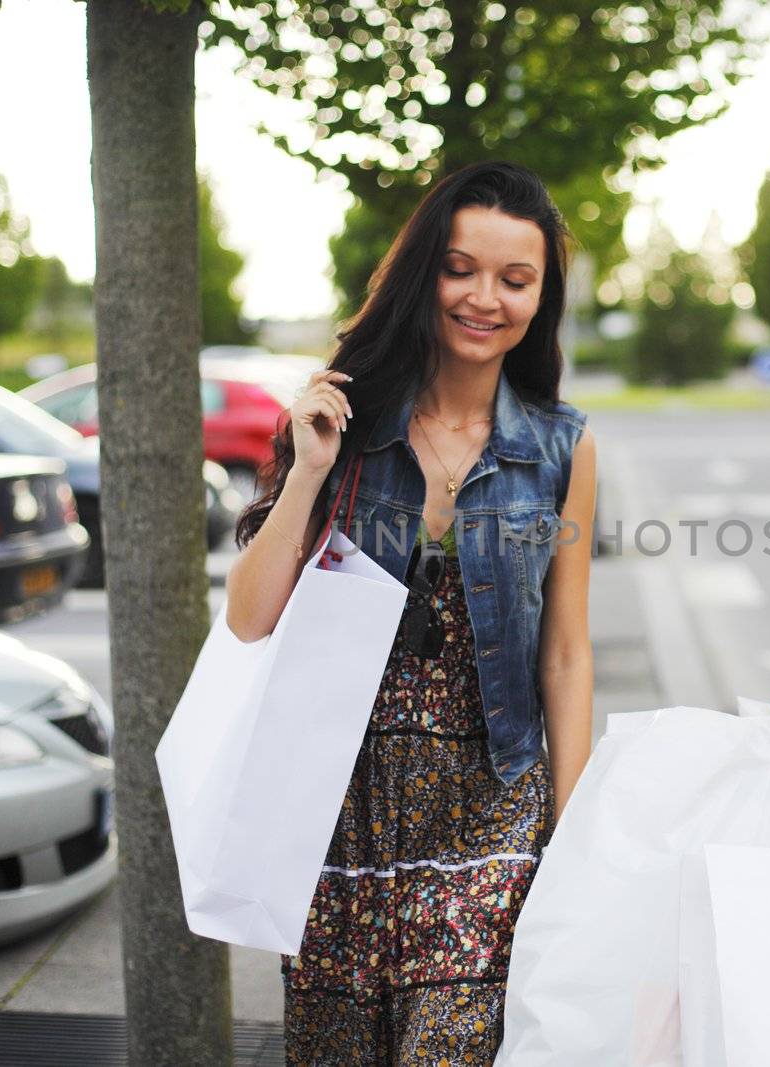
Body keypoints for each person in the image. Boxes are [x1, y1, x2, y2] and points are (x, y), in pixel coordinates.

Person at [225, 161, 597, 1064]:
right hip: (341, 809)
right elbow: (248, 617)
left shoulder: (562, 448)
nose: (485, 297)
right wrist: (306, 470)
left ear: (541, 297)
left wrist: (571, 832)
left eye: (516, 279)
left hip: (492, 804)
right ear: (424, 273)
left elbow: (566, 655)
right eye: (461, 268)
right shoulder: (342, 428)